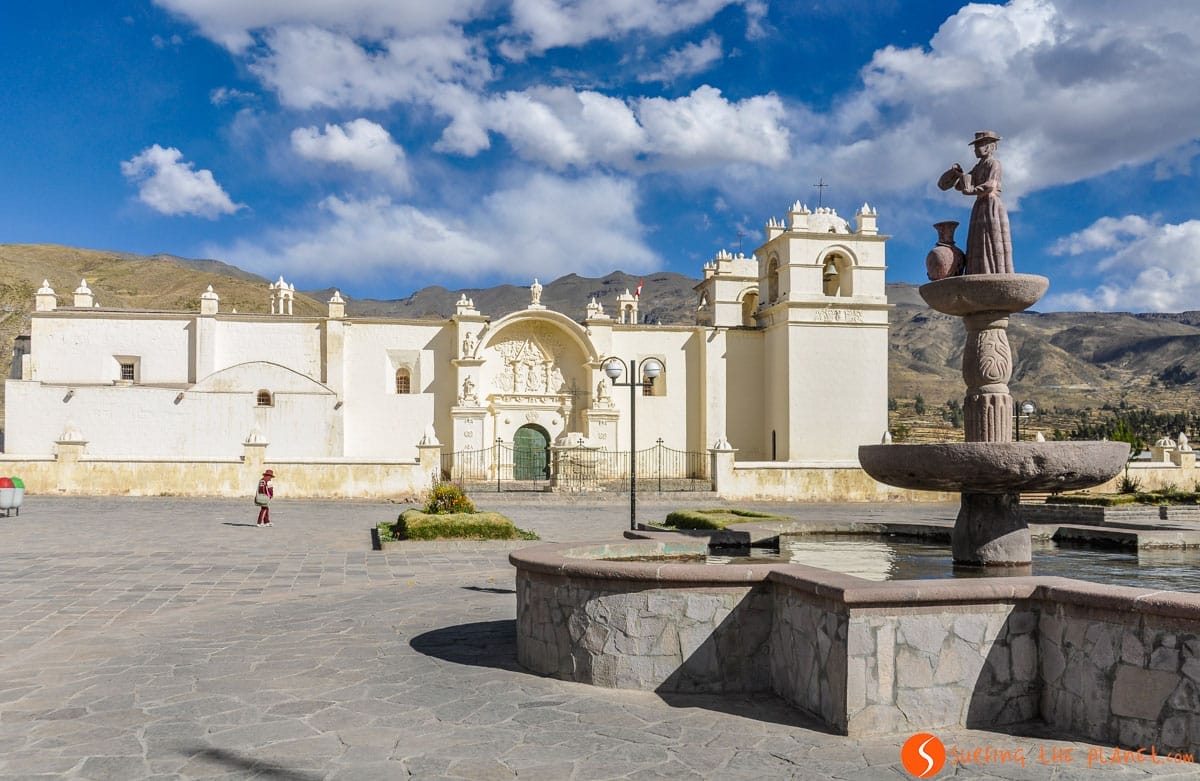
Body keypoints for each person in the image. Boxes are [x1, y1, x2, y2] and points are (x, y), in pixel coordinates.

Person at [950, 131, 1013, 274]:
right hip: (980, 204)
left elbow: (991, 184)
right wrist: (960, 175)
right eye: (975, 146)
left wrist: (972, 190)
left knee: (991, 237)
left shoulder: (994, 163)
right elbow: (961, 185)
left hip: (991, 203)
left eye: (978, 146)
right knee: (978, 239)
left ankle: (995, 271)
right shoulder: (978, 166)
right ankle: (978, 271)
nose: (975, 150)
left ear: (989, 146)